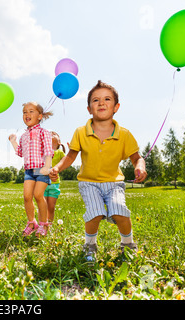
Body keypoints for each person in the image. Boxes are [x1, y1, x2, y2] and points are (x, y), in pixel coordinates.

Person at [49, 80, 147, 262]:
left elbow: (136, 157)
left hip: (114, 183)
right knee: (95, 212)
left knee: (120, 211)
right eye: (95, 100)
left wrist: (140, 166)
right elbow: (70, 156)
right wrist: (57, 167)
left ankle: (128, 244)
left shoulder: (124, 134)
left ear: (116, 106)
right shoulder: (80, 132)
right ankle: (90, 245)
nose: (101, 103)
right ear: (89, 109)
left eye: (107, 99)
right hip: (89, 183)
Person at [9, 102, 54, 237]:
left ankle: (44, 225)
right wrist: (13, 141)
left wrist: (47, 166)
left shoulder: (43, 132)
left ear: (40, 116)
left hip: (41, 169)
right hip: (29, 171)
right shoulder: (23, 136)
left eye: (31, 111)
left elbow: (48, 150)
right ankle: (31, 223)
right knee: (27, 197)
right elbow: (20, 152)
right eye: (24, 112)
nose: (27, 114)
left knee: (38, 195)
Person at [44, 131, 66, 225]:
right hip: (42, 183)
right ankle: (42, 224)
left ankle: (50, 224)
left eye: (54, 134)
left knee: (51, 207)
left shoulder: (60, 152)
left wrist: (72, 149)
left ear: (59, 142)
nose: (51, 135)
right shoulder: (44, 151)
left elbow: (67, 161)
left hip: (54, 184)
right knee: (43, 206)